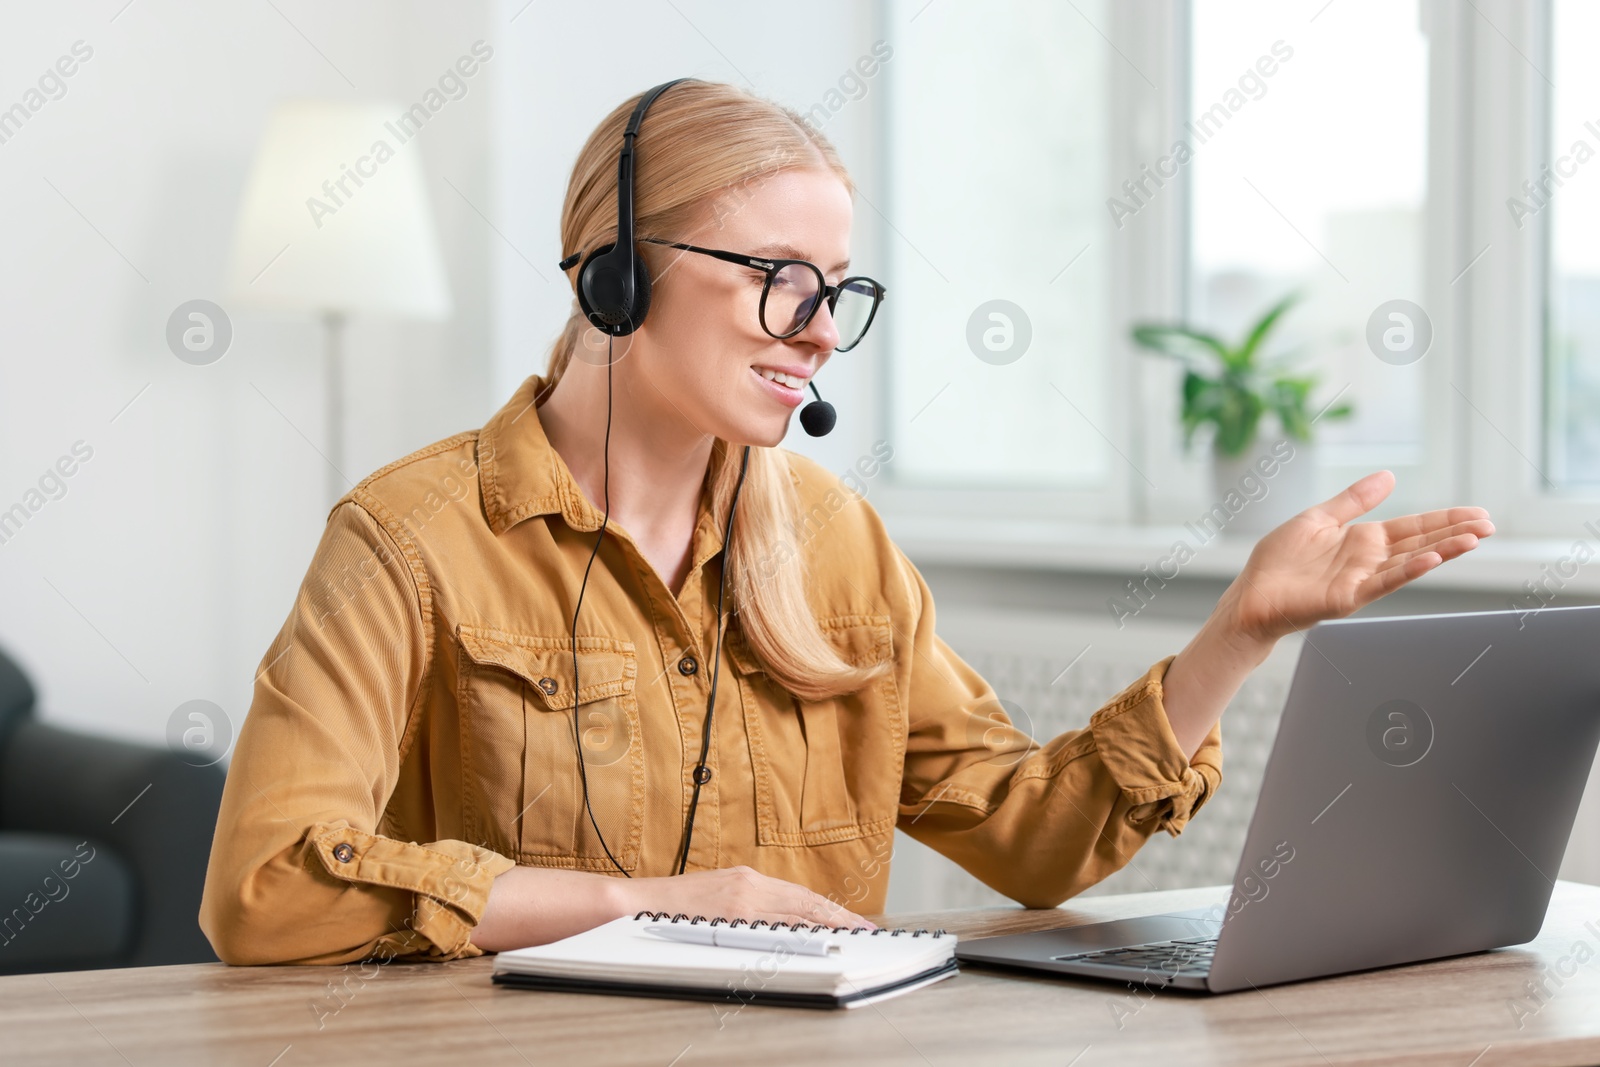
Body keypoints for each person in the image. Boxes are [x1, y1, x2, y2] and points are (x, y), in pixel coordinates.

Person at [198, 79, 1493, 966]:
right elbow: (265, 889)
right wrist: (658, 908)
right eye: (778, 281)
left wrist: (1239, 632)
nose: (822, 330)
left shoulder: (835, 546)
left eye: (839, 288)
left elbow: (1033, 842)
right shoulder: (410, 537)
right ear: (620, 271)